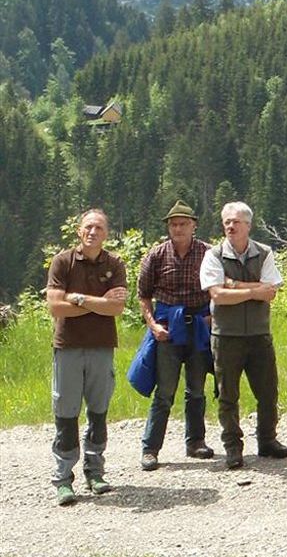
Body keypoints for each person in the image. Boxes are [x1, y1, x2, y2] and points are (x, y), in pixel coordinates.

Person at [200, 201, 287, 469]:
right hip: (225, 336)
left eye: (236, 222)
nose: (230, 226)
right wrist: (254, 291)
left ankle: (267, 440)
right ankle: (233, 446)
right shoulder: (213, 255)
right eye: (227, 222)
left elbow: (272, 291)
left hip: (259, 334)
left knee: (267, 392)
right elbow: (217, 294)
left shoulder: (264, 253)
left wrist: (236, 285)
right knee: (227, 395)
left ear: (248, 226)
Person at [46, 209, 128, 506]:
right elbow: (56, 306)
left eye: (99, 228)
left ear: (107, 234)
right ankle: (63, 478)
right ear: (79, 231)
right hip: (68, 346)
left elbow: (117, 308)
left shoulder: (115, 264)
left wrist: (77, 298)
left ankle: (95, 472)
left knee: (98, 411)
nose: (93, 232)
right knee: (66, 413)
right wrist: (99, 303)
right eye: (88, 227)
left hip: (102, 346)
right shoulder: (62, 262)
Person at [137, 200, 215, 469]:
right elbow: (143, 296)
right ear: (168, 227)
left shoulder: (209, 253)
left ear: (194, 225)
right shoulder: (156, 255)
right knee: (165, 392)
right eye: (173, 224)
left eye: (183, 223)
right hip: (168, 328)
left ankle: (195, 443)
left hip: (199, 326)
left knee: (196, 389)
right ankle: (150, 449)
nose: (178, 228)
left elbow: (220, 288)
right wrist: (153, 326)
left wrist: (212, 317)